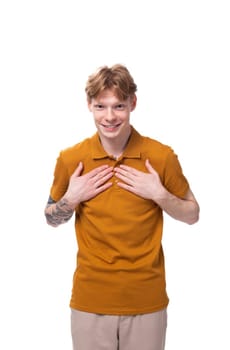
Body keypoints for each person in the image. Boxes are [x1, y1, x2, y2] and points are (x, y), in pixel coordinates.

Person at [44, 64, 200, 350]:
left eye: (119, 106)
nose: (110, 116)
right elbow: (51, 217)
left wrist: (159, 194)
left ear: (133, 104)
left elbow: (192, 214)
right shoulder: (71, 159)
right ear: (89, 105)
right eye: (100, 106)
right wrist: (72, 198)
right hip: (90, 300)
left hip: (146, 300)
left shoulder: (161, 156)